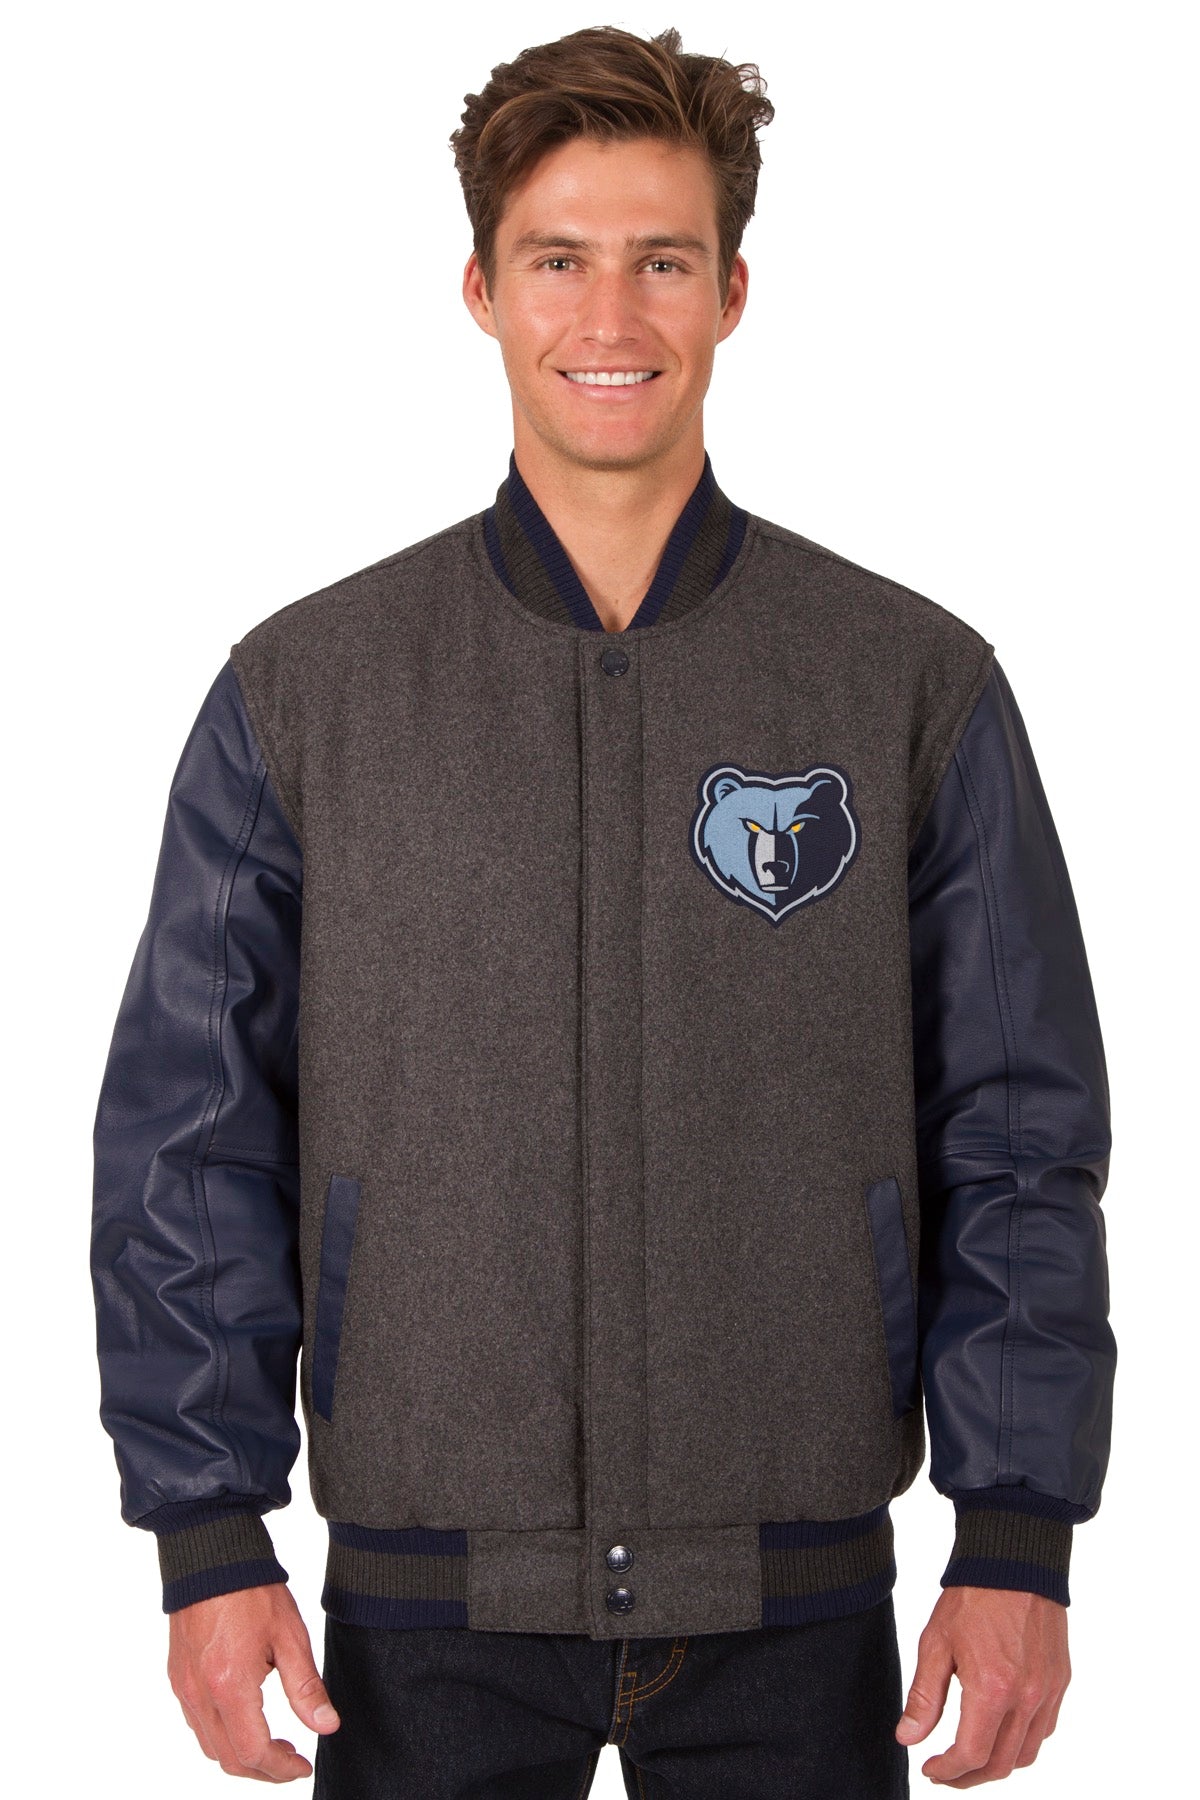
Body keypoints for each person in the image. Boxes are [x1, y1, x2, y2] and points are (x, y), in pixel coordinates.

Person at [90, 23, 1116, 1797]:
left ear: (733, 292)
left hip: (798, 1605)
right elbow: (191, 1139)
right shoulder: (308, 693)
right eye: (559, 260)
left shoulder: (906, 682)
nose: (611, 315)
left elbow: (1019, 1131)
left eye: (662, 261)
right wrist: (208, 1530)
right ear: (481, 291)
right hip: (424, 1614)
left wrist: (1017, 1531)